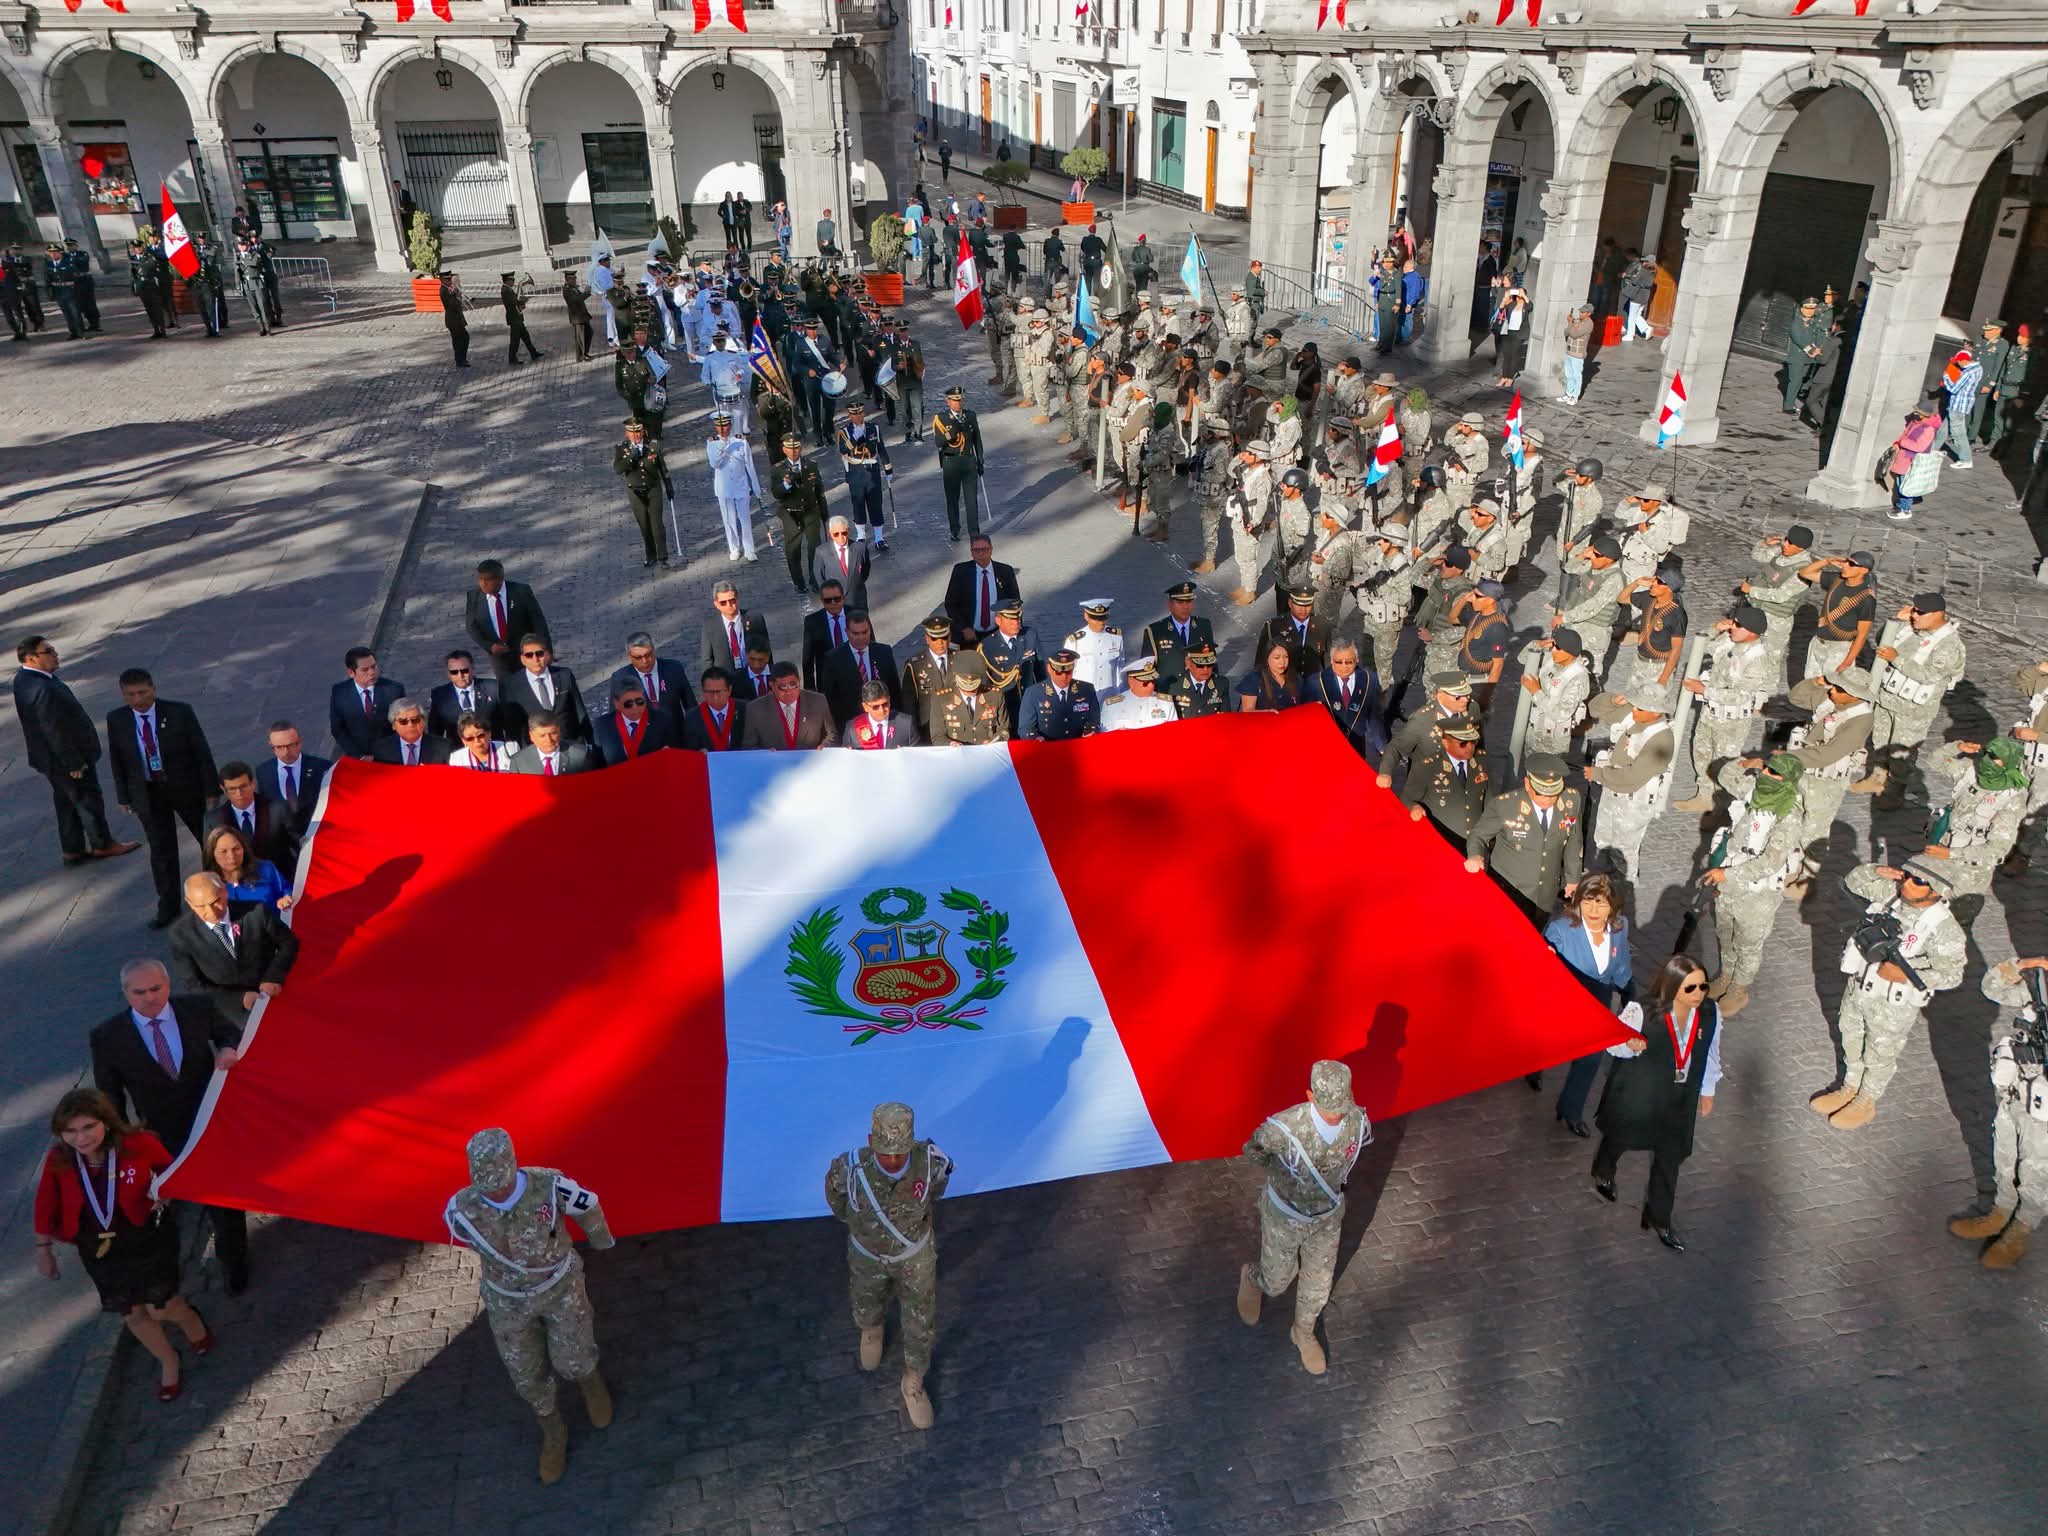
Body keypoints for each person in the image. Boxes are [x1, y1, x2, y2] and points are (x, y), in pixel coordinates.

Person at [445, 1128, 616, 1484]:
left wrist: (601, 1242)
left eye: (502, 1182)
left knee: (574, 1354)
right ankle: (553, 1430)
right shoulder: (461, 1210)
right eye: (488, 1185)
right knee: (524, 1371)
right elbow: (462, 1236)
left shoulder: (551, 1186)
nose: (496, 1191)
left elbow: (588, 1205)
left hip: (560, 1288)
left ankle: (590, 1383)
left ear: (514, 1165)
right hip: (507, 1302)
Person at [33, 1088, 215, 1402]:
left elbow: (171, 1171)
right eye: (70, 1131)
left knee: (162, 1307)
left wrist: (164, 1194)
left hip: (146, 1239)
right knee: (132, 1314)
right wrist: (43, 1249)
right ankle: (168, 1361)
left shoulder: (138, 1144)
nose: (80, 1138)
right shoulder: (59, 1159)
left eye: (88, 1127)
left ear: (105, 1121)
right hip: (99, 1250)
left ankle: (192, 1320)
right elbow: (45, 1204)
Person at [89, 959, 248, 1293]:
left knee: (222, 1199)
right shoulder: (108, 1037)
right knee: (169, 1205)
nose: (149, 997)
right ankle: (166, 1277)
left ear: (168, 984)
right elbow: (110, 1095)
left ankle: (235, 1265)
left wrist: (227, 1049)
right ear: (126, 993)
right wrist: (122, 1142)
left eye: (155, 989)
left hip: (210, 1120)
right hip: (161, 1133)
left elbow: (229, 1032)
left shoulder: (197, 1008)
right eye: (139, 992)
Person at [1235, 1060, 1370, 1376]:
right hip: (1285, 1216)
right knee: (1277, 1280)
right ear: (1310, 1096)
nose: (1336, 1115)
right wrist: (1283, 1177)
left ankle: (1303, 1332)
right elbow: (1253, 1150)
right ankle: (1253, 1278)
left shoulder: (1356, 1120)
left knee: (1318, 1284)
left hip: (1327, 1218)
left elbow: (1355, 1149)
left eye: (1341, 1107)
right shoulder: (1283, 1129)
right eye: (1329, 1109)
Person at [1812, 858, 1966, 1130]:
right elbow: (1852, 883)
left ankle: (1866, 1100)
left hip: (1893, 1005)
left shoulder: (1943, 928)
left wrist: (1907, 974)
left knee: (1880, 1052)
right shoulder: (1891, 895)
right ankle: (1850, 1086)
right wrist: (1874, 871)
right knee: (1850, 1036)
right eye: (1906, 875)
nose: (1907, 883)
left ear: (1937, 889)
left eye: (1918, 881)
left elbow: (1952, 975)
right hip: (1860, 986)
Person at [826, 1102, 950, 1429]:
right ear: (871, 1141)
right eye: (885, 1153)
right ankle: (871, 1330)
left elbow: (935, 1192)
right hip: (867, 1255)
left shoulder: (929, 1162)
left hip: (914, 1256)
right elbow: (837, 1202)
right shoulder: (849, 1169)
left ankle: (914, 1381)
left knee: (920, 1318)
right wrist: (866, 1231)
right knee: (865, 1298)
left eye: (900, 1153)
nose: (893, 1160)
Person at [1590, 954, 1718, 1252]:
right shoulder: (1642, 1010)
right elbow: (1612, 1043)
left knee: (1671, 1156)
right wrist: (1629, 1043)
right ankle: (1604, 1169)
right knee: (1621, 1136)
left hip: (1680, 1096)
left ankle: (1659, 1216)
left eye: (1703, 986)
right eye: (1690, 988)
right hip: (1643, 1091)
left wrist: (1708, 1090)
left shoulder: (1709, 1013)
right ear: (1672, 986)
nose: (1698, 994)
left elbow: (1711, 1052)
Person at [1950, 956, 2048, 1269]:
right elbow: (1993, 988)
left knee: (2037, 1167)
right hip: (2017, 1088)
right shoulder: (2041, 984)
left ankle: (2021, 1228)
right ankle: (2001, 1211)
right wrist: (2024, 964)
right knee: (2005, 1153)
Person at [106, 668, 219, 928]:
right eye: (130, 694)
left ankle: (220, 892)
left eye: (142, 692)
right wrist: (124, 795)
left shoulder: (179, 712)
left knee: (208, 840)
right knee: (161, 850)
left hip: (185, 787)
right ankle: (168, 905)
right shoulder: (117, 719)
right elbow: (117, 759)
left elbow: (201, 751)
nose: (138, 699)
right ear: (123, 694)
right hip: (147, 792)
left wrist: (211, 790)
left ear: (153, 689)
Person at [1698, 754, 1808, 1018]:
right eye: (1767, 769)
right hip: (1728, 882)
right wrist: (1746, 763)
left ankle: (1739, 989)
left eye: (1774, 773)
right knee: (1726, 933)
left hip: (1758, 891)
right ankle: (1726, 977)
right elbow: (1725, 775)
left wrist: (1728, 875)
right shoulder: (1754, 790)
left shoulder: (1789, 814)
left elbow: (1770, 862)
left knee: (1748, 942)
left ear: (1787, 780)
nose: (1767, 775)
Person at [14, 636, 139, 869]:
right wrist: (73, 763)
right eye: (48, 651)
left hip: (49, 759)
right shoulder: (43, 688)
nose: (55, 654)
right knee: (87, 799)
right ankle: (102, 843)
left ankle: (72, 848)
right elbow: (53, 730)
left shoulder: (25, 679)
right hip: (66, 759)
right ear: (31, 658)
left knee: (66, 801)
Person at [1543, 875, 1636, 1135]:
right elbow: (1543, 966)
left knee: (1590, 1058)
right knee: (1546, 1045)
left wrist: (1629, 995)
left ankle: (1570, 1110)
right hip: (1565, 1002)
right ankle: (1533, 1070)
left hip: (1598, 1003)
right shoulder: (1560, 930)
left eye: (1601, 903)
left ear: (1612, 906)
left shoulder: (1620, 927)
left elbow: (1621, 964)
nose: (1594, 910)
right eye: (1588, 902)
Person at [166, 871, 300, 1026]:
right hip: (231, 1014)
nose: (211, 911)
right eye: (201, 906)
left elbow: (288, 942)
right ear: (189, 903)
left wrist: (273, 976)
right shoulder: (181, 935)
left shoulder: (256, 911)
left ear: (224, 891)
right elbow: (193, 984)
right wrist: (239, 999)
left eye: (215, 901)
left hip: (275, 993)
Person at [1465, 754, 1584, 919]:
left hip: (1546, 894)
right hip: (1510, 892)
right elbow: (1478, 835)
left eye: (1553, 794)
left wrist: (1573, 878)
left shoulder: (1571, 800)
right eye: (1541, 794)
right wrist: (1475, 855)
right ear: (1528, 784)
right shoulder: (1504, 805)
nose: (1547, 800)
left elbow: (1574, 840)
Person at [1585, 688, 1676, 878]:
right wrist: (1612, 701)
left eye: (1639, 708)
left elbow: (1633, 777)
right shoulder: (1636, 716)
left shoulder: (1662, 740)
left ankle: (1625, 886)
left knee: (1624, 850)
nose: (1633, 710)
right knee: (1603, 841)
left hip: (1633, 802)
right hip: (1613, 791)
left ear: (1656, 712)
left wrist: (1599, 774)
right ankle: (1603, 881)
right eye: (1634, 705)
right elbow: (1594, 709)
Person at [465, 560, 551, 683]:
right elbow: (471, 626)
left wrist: (547, 650)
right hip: (499, 658)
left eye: (488, 580)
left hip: (527, 653)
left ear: (500, 579)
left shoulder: (521, 592)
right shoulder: (474, 597)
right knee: (506, 688)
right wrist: (490, 646)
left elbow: (538, 622)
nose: (483, 584)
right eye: (480, 579)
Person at [500, 638, 593, 745]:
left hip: (570, 743)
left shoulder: (564, 675)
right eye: (529, 655)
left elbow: (579, 711)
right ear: (522, 659)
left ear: (547, 655)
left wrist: (591, 742)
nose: (535, 659)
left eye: (539, 654)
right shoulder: (511, 685)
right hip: (536, 748)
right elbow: (512, 726)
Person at [769, 435, 829, 596]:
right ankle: (798, 582)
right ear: (784, 450)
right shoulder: (777, 469)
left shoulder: (811, 465)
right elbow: (776, 493)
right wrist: (786, 484)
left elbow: (819, 490)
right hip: (791, 514)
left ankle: (815, 579)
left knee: (815, 546)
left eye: (796, 448)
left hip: (810, 511)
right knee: (793, 550)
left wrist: (824, 513)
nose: (794, 451)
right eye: (790, 448)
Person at [212, 758, 298, 869]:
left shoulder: (278, 810)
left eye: (243, 786)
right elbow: (210, 862)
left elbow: (298, 844)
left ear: (253, 784)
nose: (239, 793)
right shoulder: (213, 821)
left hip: (278, 876)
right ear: (224, 790)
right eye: (232, 789)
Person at [614, 417, 674, 569]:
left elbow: (663, 468)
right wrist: (631, 458)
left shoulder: (653, 446)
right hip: (635, 492)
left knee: (657, 524)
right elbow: (618, 469)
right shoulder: (622, 448)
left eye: (638, 432)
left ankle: (662, 557)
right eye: (632, 433)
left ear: (643, 431)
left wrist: (669, 486)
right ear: (627, 433)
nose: (636, 436)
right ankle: (650, 555)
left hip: (653, 489)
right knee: (644, 525)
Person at [328, 647, 406, 761]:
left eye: (374, 667)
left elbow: (403, 725)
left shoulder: (394, 690)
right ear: (351, 673)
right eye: (365, 670)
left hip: (390, 757)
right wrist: (359, 756)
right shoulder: (340, 692)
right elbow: (338, 729)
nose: (372, 673)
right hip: (357, 758)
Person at [932, 385, 986, 542]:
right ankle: (954, 529)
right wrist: (953, 431)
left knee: (971, 499)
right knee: (952, 499)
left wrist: (980, 460)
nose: (958, 403)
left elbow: (977, 439)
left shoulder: (970, 416)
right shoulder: (941, 419)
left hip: (968, 460)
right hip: (951, 461)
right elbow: (939, 442)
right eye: (955, 401)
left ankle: (974, 532)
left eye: (960, 400)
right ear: (948, 401)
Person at [201, 824, 291, 915]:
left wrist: (285, 900)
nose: (232, 856)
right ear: (212, 854)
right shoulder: (208, 885)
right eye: (223, 851)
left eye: (236, 849)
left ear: (243, 848)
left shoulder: (266, 868)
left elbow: (286, 891)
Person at [740, 662, 834, 750]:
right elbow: (749, 746)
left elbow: (832, 734)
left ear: (799, 680)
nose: (789, 692)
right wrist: (765, 754)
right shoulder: (755, 709)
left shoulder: (818, 701)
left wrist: (824, 748)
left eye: (793, 685)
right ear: (772, 685)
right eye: (782, 687)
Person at [1018, 648, 1099, 740]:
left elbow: (1094, 721)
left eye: (1068, 672)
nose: (1064, 676)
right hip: (1047, 746)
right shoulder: (1033, 693)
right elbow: (1026, 728)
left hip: (1078, 745)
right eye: (1058, 672)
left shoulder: (1086, 690)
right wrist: (1036, 738)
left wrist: (1090, 730)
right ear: (1049, 669)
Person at [1884, 406, 1944, 522]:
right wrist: (1897, 443)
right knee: (1901, 483)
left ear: (1925, 415)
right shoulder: (1915, 422)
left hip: (1911, 461)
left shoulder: (1928, 429)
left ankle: (1905, 510)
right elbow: (1905, 433)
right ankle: (1902, 505)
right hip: (1904, 458)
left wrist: (1903, 442)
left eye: (1918, 412)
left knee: (1906, 486)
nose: (1915, 413)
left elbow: (1920, 447)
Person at [448, 711, 517, 772]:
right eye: (470, 738)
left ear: (489, 733)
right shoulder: (456, 759)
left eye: (480, 735)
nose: (477, 741)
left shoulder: (510, 749)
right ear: (463, 741)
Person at [1559, 305, 1594, 404]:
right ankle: (1568, 394)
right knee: (1569, 375)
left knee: (1576, 376)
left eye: (1583, 313)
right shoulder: (1577, 321)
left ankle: (1575, 396)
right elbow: (1566, 332)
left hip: (1578, 354)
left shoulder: (1589, 324)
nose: (1580, 314)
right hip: (1569, 352)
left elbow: (1575, 334)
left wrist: (1571, 323)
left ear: (1589, 314)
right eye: (1580, 312)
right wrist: (1571, 324)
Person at [1619, 252, 1657, 342]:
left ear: (1648, 262)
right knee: (1636, 315)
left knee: (1632, 315)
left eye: (1645, 261)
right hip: (1645, 296)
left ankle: (1631, 334)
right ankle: (1645, 329)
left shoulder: (1643, 271)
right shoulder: (1653, 272)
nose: (1643, 262)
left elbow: (1635, 281)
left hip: (1637, 295)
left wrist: (1630, 277)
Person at [560, 271, 592, 362]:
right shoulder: (567, 290)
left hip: (582, 315)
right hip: (577, 317)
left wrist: (587, 291)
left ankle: (585, 353)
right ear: (568, 280)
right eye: (573, 279)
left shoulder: (573, 287)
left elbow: (580, 297)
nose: (575, 280)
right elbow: (577, 299)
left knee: (588, 333)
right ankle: (581, 356)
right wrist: (587, 292)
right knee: (580, 338)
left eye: (575, 278)